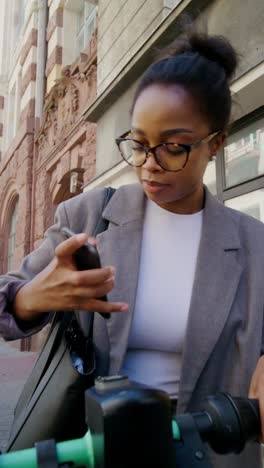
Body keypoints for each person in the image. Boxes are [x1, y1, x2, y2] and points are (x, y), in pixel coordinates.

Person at [1, 30, 264, 468]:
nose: (148, 164)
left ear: (216, 143)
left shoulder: (254, 245)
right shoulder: (87, 218)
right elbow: (7, 302)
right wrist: (31, 298)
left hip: (210, 450)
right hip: (93, 447)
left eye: (174, 148)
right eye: (138, 143)